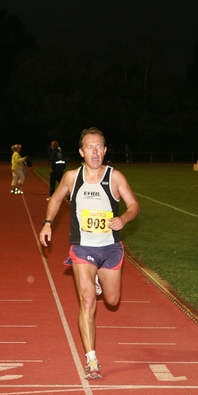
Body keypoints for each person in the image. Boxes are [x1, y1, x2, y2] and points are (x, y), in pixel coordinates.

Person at [39, 127, 140, 380]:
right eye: (89, 147)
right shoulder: (72, 177)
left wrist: (124, 219)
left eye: (99, 147)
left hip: (110, 248)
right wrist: (48, 222)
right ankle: (92, 359)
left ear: (104, 151)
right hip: (82, 247)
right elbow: (56, 198)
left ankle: (98, 280)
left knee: (112, 300)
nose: (95, 152)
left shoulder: (114, 177)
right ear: (82, 151)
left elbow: (134, 205)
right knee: (87, 301)